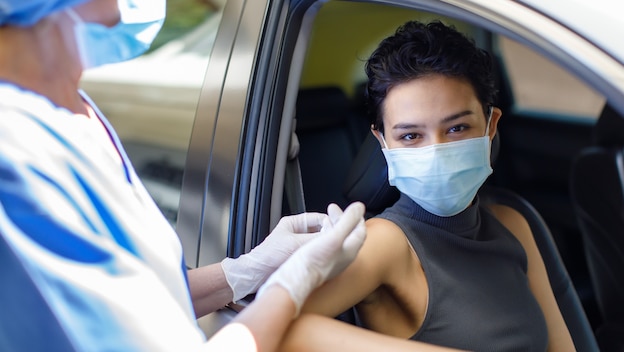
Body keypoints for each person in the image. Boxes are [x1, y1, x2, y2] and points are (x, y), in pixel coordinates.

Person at [0, 0, 368, 351]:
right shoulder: (15, 157)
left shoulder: (71, 109)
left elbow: (143, 303)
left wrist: (246, 270)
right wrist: (292, 284)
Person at [279, 20, 576, 351]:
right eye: (410, 136)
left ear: (490, 126)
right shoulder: (384, 242)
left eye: (457, 128)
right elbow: (268, 328)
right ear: (383, 143)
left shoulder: (513, 223)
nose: (436, 152)